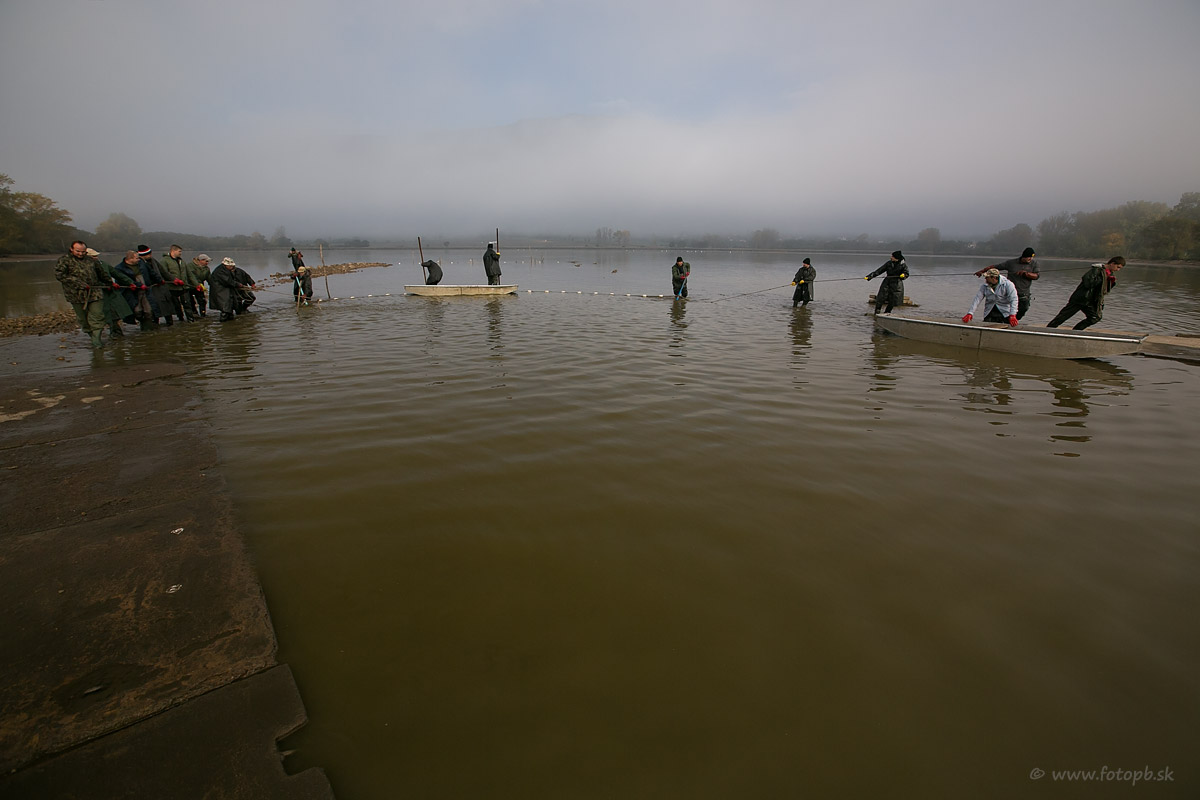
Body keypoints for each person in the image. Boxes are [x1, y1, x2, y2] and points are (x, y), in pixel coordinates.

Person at [1046, 257, 1125, 330]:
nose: (1118, 270)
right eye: (1118, 267)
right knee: (1062, 317)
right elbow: (1088, 283)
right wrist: (1102, 279)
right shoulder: (1096, 270)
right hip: (1080, 298)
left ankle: (1076, 331)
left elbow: (1104, 290)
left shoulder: (1109, 274)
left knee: (1095, 317)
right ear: (1112, 263)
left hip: (1091, 301)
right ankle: (1048, 330)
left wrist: (1111, 282)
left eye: (1120, 268)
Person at [54, 241, 107, 347]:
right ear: (71, 249)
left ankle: (96, 339)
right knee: (82, 318)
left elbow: (101, 274)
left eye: (83, 251)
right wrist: (78, 283)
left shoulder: (91, 260)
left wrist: (110, 283)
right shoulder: (64, 260)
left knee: (98, 315)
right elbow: (59, 275)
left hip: (95, 292)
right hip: (75, 294)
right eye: (78, 251)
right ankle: (91, 334)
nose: (81, 254)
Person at [975, 247, 1039, 319]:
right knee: (1007, 311)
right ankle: (1007, 320)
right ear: (1023, 256)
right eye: (1028, 257)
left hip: (1024, 294)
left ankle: (1012, 321)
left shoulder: (1034, 264)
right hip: (1009, 292)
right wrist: (982, 271)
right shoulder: (1011, 263)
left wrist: (1026, 274)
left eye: (1031, 257)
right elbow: (995, 267)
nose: (1030, 259)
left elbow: (1036, 276)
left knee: (1023, 310)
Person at [87, 248, 133, 338]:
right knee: (102, 315)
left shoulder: (104, 264)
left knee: (115, 312)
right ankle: (97, 336)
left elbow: (117, 274)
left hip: (110, 293)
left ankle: (115, 333)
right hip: (96, 295)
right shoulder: (86, 267)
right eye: (93, 256)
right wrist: (105, 285)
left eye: (96, 256)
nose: (96, 258)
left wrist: (130, 282)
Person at [113, 250, 155, 330]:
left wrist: (159, 280)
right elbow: (123, 279)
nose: (139, 260)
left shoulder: (142, 265)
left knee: (148, 310)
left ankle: (148, 330)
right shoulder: (119, 268)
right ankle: (138, 323)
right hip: (131, 293)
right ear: (130, 259)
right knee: (137, 311)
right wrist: (138, 285)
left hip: (145, 291)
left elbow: (152, 273)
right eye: (137, 258)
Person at [136, 245, 173, 326]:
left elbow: (163, 271)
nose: (151, 255)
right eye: (149, 254)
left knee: (165, 306)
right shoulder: (140, 263)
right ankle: (154, 323)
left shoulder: (153, 261)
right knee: (153, 307)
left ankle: (168, 324)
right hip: (150, 288)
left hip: (159, 286)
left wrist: (173, 279)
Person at [159, 244, 193, 322]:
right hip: (172, 287)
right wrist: (174, 280)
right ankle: (180, 319)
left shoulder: (181, 261)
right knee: (176, 305)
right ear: (173, 251)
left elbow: (189, 274)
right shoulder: (164, 261)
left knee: (187, 303)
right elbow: (164, 273)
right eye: (179, 251)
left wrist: (196, 284)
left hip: (183, 287)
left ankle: (190, 320)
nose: (180, 253)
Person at [185, 253, 212, 318]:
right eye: (206, 261)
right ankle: (194, 313)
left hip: (200, 286)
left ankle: (203, 314)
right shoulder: (190, 266)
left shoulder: (206, 269)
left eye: (208, 261)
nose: (207, 263)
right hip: (189, 286)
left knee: (202, 301)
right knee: (191, 301)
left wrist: (214, 285)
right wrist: (197, 284)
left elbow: (209, 279)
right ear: (201, 260)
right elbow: (191, 277)